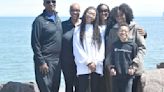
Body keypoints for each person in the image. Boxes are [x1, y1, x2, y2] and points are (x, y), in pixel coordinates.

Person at [105, 4, 146, 92]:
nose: (119, 17)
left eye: (121, 15)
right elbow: (109, 51)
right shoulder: (112, 31)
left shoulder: (136, 28)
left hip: (133, 71)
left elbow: (142, 48)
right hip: (117, 72)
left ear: (127, 14)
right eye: (117, 16)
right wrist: (110, 66)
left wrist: (135, 64)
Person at [31, 0, 63, 92]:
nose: (51, 4)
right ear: (44, 4)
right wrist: (41, 62)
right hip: (45, 61)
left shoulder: (58, 18)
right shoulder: (39, 21)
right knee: (45, 89)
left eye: (53, 1)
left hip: (57, 61)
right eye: (48, 2)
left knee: (55, 88)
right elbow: (35, 43)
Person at [73, 6, 105, 92]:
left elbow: (101, 48)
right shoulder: (78, 29)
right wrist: (88, 62)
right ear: (85, 14)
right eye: (89, 13)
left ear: (95, 17)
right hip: (83, 66)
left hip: (96, 66)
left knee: (95, 89)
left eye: (93, 14)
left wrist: (95, 62)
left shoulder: (99, 30)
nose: (90, 15)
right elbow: (77, 48)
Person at [110, 23, 138, 92]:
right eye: (121, 31)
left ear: (128, 33)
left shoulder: (133, 45)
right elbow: (111, 59)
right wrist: (112, 68)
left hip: (128, 76)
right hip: (116, 76)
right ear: (118, 32)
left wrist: (133, 68)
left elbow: (136, 59)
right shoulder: (114, 45)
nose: (123, 33)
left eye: (125, 31)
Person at [61, 3, 81, 92]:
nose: (75, 12)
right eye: (73, 10)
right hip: (66, 61)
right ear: (70, 12)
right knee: (68, 85)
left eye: (77, 10)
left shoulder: (83, 25)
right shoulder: (63, 25)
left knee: (80, 85)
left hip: (81, 61)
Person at [97, 3, 110, 92]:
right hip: (97, 60)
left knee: (109, 85)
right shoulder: (94, 26)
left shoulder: (112, 25)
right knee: (98, 85)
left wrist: (144, 33)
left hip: (110, 59)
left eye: (105, 11)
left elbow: (127, 26)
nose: (103, 13)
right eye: (101, 11)